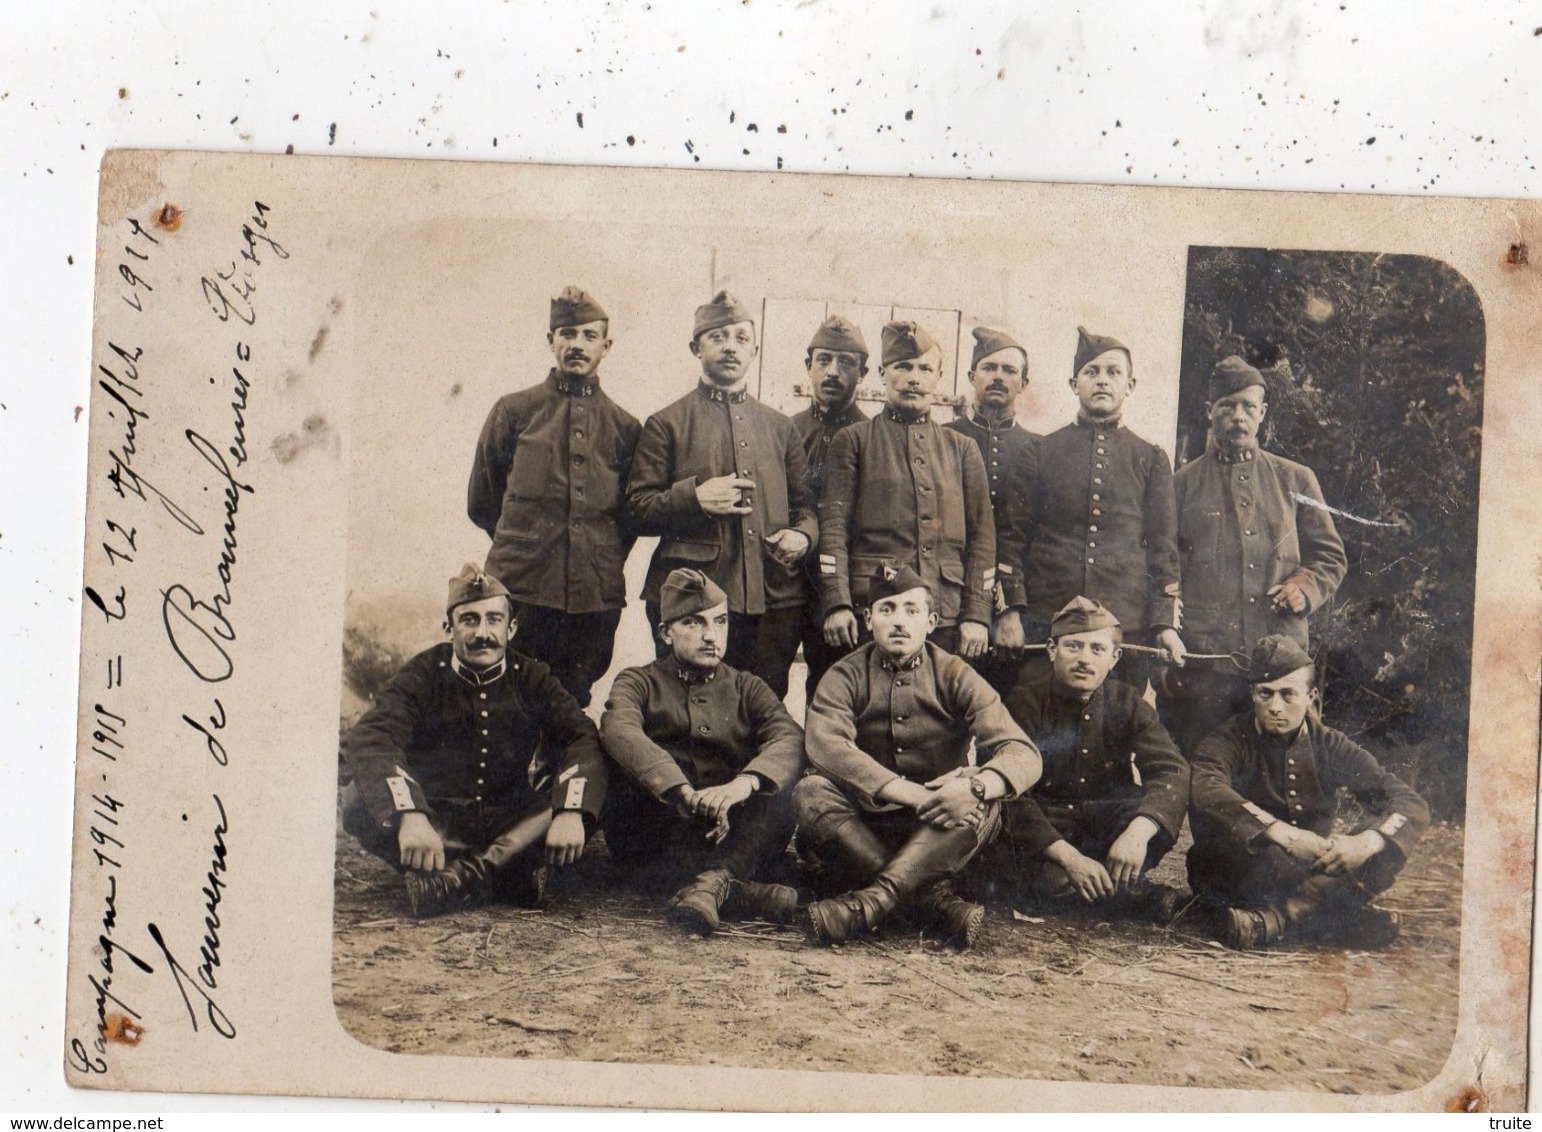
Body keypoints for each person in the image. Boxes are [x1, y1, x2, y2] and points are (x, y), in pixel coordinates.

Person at [795, 564, 1043, 946]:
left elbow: (1023, 753)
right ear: (868, 619)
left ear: (930, 621)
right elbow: (826, 744)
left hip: (939, 827)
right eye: (887, 609)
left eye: (911, 611)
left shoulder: (955, 673)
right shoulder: (845, 675)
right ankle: (928, 900)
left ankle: (873, 901)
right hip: (866, 826)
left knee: (987, 801)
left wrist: (976, 786)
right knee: (810, 790)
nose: (899, 621)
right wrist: (909, 793)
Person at [341, 566, 607, 917]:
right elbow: (373, 735)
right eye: (469, 620)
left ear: (510, 628)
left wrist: (571, 811)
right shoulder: (422, 674)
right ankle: (509, 873)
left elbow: (581, 736)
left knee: (589, 789)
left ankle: (456, 880)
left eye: (494, 620)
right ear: (449, 629)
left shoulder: (531, 677)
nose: (484, 633)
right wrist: (410, 814)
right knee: (356, 801)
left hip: (511, 820)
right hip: (438, 821)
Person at [625, 291, 818, 699]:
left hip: (773, 599)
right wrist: (694, 499)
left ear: (754, 350)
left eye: (740, 338)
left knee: (763, 706)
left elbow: (806, 508)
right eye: (717, 337)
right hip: (692, 602)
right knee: (688, 707)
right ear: (697, 348)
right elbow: (636, 510)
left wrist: (802, 536)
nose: (730, 346)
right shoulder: (666, 424)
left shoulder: (781, 428)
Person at [1187, 635, 1429, 950]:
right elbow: (1206, 787)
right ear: (1253, 694)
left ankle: (1276, 920)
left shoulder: (1329, 743)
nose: (1275, 706)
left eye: (1288, 694)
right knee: (1224, 853)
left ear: (1311, 696)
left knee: (1384, 846)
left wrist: (1364, 843)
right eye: (1265, 694)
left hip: (1311, 870)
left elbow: (1409, 802)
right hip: (1246, 868)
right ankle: (1336, 919)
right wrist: (1286, 836)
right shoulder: (1228, 739)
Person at [599, 568, 807, 934]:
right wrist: (681, 792)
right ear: (666, 633)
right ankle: (733, 889)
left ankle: (712, 884)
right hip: (664, 826)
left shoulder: (747, 686)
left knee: (782, 788)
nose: (712, 636)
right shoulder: (638, 680)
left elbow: (788, 737)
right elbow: (620, 729)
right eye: (694, 624)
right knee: (619, 776)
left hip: (728, 828)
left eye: (720, 622)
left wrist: (741, 786)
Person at [466, 286, 642, 707]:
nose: (577, 345)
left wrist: (589, 553)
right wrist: (526, 543)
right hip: (523, 586)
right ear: (551, 341)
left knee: (571, 699)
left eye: (588, 336)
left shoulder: (625, 427)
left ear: (606, 346)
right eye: (566, 334)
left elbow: (630, 519)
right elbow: (482, 501)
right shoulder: (514, 411)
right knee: (508, 693)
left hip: (593, 596)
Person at [1163, 355, 1348, 753]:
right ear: (1209, 412)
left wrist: (1304, 588)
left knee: (1283, 764)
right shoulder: (1181, 486)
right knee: (1206, 761)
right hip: (1207, 660)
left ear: (1262, 413)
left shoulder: (1296, 479)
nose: (1238, 416)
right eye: (1227, 406)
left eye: (1248, 406)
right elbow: (1164, 565)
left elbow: (1330, 556)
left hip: (1280, 655)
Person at [998, 327, 1183, 688]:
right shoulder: (1039, 452)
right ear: (1074, 383)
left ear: (1130, 385)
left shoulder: (1150, 458)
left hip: (1123, 626)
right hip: (1047, 621)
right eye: (1091, 372)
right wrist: (1011, 610)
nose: (1102, 381)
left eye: (1113, 372)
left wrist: (1163, 625)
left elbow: (1164, 549)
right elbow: (1012, 538)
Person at [987, 597, 1189, 922]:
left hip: (1108, 829)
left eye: (1097, 649)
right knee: (1004, 840)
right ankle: (1125, 896)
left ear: (1115, 657)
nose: (1084, 659)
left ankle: (1071, 889)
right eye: (1074, 647)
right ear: (1052, 650)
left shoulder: (1128, 701)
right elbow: (1010, 793)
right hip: (1047, 829)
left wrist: (1137, 833)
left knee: (1150, 813)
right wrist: (1066, 857)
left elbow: (1172, 769)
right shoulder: (1024, 702)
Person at [817, 320, 996, 666]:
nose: (914, 377)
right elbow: (834, 530)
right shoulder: (854, 441)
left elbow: (983, 538)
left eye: (925, 368)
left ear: (938, 377)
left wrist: (976, 614)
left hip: (945, 614)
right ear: (883, 374)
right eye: (903, 367)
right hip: (873, 611)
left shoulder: (962, 449)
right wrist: (837, 603)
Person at [944, 326, 1040, 690]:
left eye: (1010, 370)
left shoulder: (1039, 449)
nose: (998, 377)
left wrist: (1010, 607)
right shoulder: (943, 439)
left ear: (1024, 383)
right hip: (953, 599)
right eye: (988, 368)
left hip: (1016, 612)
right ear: (971, 377)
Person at [789, 315, 870, 702]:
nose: (833, 372)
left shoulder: (871, 438)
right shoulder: (784, 431)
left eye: (846, 363)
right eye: (823, 360)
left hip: (841, 592)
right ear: (808, 366)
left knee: (830, 694)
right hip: (786, 587)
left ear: (864, 372)